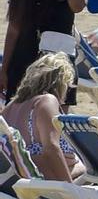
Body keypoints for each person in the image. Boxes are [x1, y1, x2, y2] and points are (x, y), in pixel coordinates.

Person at [0, 52, 84, 181]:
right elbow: (51, 148)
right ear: (60, 83)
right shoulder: (46, 101)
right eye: (67, 85)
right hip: (48, 184)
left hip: (20, 182)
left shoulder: (10, 107)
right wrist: (69, 187)